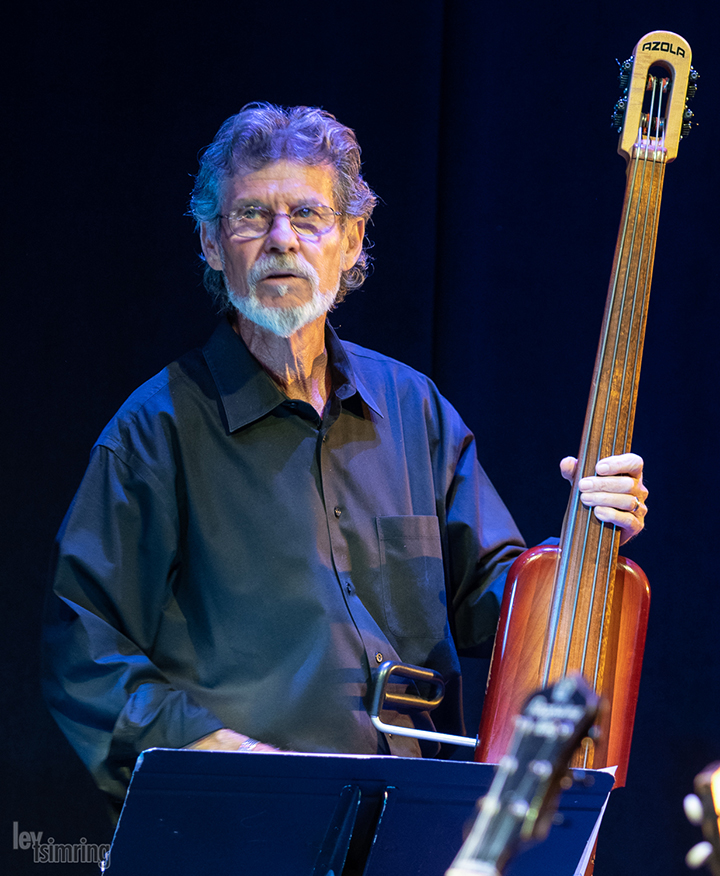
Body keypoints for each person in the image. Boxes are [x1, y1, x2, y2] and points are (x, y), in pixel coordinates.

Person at [42, 103, 648, 810]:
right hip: (249, 820)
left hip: (419, 815)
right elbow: (84, 650)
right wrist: (214, 752)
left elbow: (500, 608)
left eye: (308, 215)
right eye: (251, 216)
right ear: (211, 242)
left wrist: (586, 540)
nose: (281, 240)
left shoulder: (415, 410)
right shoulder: (153, 433)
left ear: (352, 240)